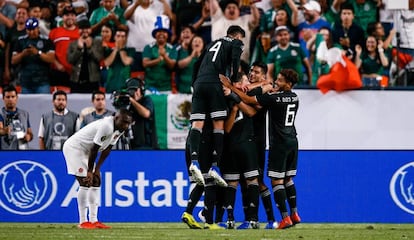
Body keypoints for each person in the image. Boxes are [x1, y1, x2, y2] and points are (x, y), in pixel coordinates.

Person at [220, 68, 302, 230]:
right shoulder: (295, 97)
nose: (276, 83)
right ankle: (294, 213)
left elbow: (249, 102)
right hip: (293, 140)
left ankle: (284, 218)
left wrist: (231, 88)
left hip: (278, 143)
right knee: (288, 179)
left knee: (275, 181)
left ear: (289, 84)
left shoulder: (274, 98)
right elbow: (265, 86)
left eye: (280, 81)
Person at [188, 25, 245, 187]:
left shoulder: (212, 43)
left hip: (199, 83)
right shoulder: (235, 43)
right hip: (215, 82)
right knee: (218, 125)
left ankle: (194, 162)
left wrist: (195, 84)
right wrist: (233, 81)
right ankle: (215, 166)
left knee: (197, 124)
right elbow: (235, 60)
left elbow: (195, 64)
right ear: (237, 36)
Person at [62, 108, 133, 229]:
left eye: (128, 123)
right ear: (116, 118)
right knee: (85, 182)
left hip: (86, 151)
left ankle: (94, 220)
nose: (126, 125)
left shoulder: (120, 129)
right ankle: (83, 222)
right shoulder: (107, 126)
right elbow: (94, 149)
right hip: (75, 148)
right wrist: (90, 171)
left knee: (96, 181)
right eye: (124, 122)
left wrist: (97, 169)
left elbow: (108, 148)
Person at [221, 72, 260, 230]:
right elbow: (227, 129)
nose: (247, 84)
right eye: (244, 81)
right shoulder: (226, 100)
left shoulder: (245, 97)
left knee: (251, 181)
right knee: (233, 182)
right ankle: (230, 219)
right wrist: (234, 110)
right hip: (233, 147)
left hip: (248, 144)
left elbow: (252, 112)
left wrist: (236, 97)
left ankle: (253, 219)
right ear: (237, 84)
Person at [11, 17, 55, 94]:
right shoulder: (20, 41)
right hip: (25, 82)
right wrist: (23, 54)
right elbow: (13, 61)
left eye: (33, 29)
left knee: (44, 105)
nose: (31, 32)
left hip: (42, 82)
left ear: (38, 28)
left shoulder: (46, 40)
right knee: (26, 105)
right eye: (29, 30)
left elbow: (51, 59)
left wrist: (38, 53)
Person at [67, 16, 104, 93]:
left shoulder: (97, 43)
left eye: (87, 28)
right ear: (78, 30)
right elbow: (70, 60)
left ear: (90, 30)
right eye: (82, 28)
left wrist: (90, 48)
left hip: (93, 80)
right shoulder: (73, 44)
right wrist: (79, 49)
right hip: (76, 80)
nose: (84, 31)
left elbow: (99, 58)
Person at [142, 15, 177, 93]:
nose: (161, 34)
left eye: (164, 32)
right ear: (155, 34)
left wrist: (164, 56)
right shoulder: (148, 47)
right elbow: (145, 63)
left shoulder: (172, 49)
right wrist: (158, 59)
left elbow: (172, 65)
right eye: (159, 31)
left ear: (168, 35)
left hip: (166, 88)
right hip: (149, 87)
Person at [49, 5, 80, 88]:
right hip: (59, 71)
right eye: (67, 15)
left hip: (77, 72)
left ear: (76, 17)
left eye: (72, 15)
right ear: (62, 17)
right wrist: (57, 64)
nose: (70, 17)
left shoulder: (80, 32)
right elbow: (49, 52)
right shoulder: (54, 32)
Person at [125, 77, 159, 149]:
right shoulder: (128, 103)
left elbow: (146, 114)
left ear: (141, 90)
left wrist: (132, 101)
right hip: (132, 143)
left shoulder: (147, 100)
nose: (134, 93)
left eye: (135, 89)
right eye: (131, 90)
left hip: (147, 143)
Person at [0, 85, 33, 150]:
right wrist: (5, 131)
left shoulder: (24, 114)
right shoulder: (1, 114)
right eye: (8, 97)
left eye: (13, 97)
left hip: (23, 149)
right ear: (3, 98)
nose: (10, 99)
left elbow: (30, 132)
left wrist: (28, 137)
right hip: (6, 152)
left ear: (17, 97)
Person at [103, 26, 134, 93]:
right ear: (114, 37)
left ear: (126, 38)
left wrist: (120, 49)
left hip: (124, 86)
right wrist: (116, 49)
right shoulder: (108, 50)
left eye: (123, 36)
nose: (120, 38)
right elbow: (107, 63)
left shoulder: (131, 50)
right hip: (111, 85)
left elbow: (126, 62)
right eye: (118, 36)